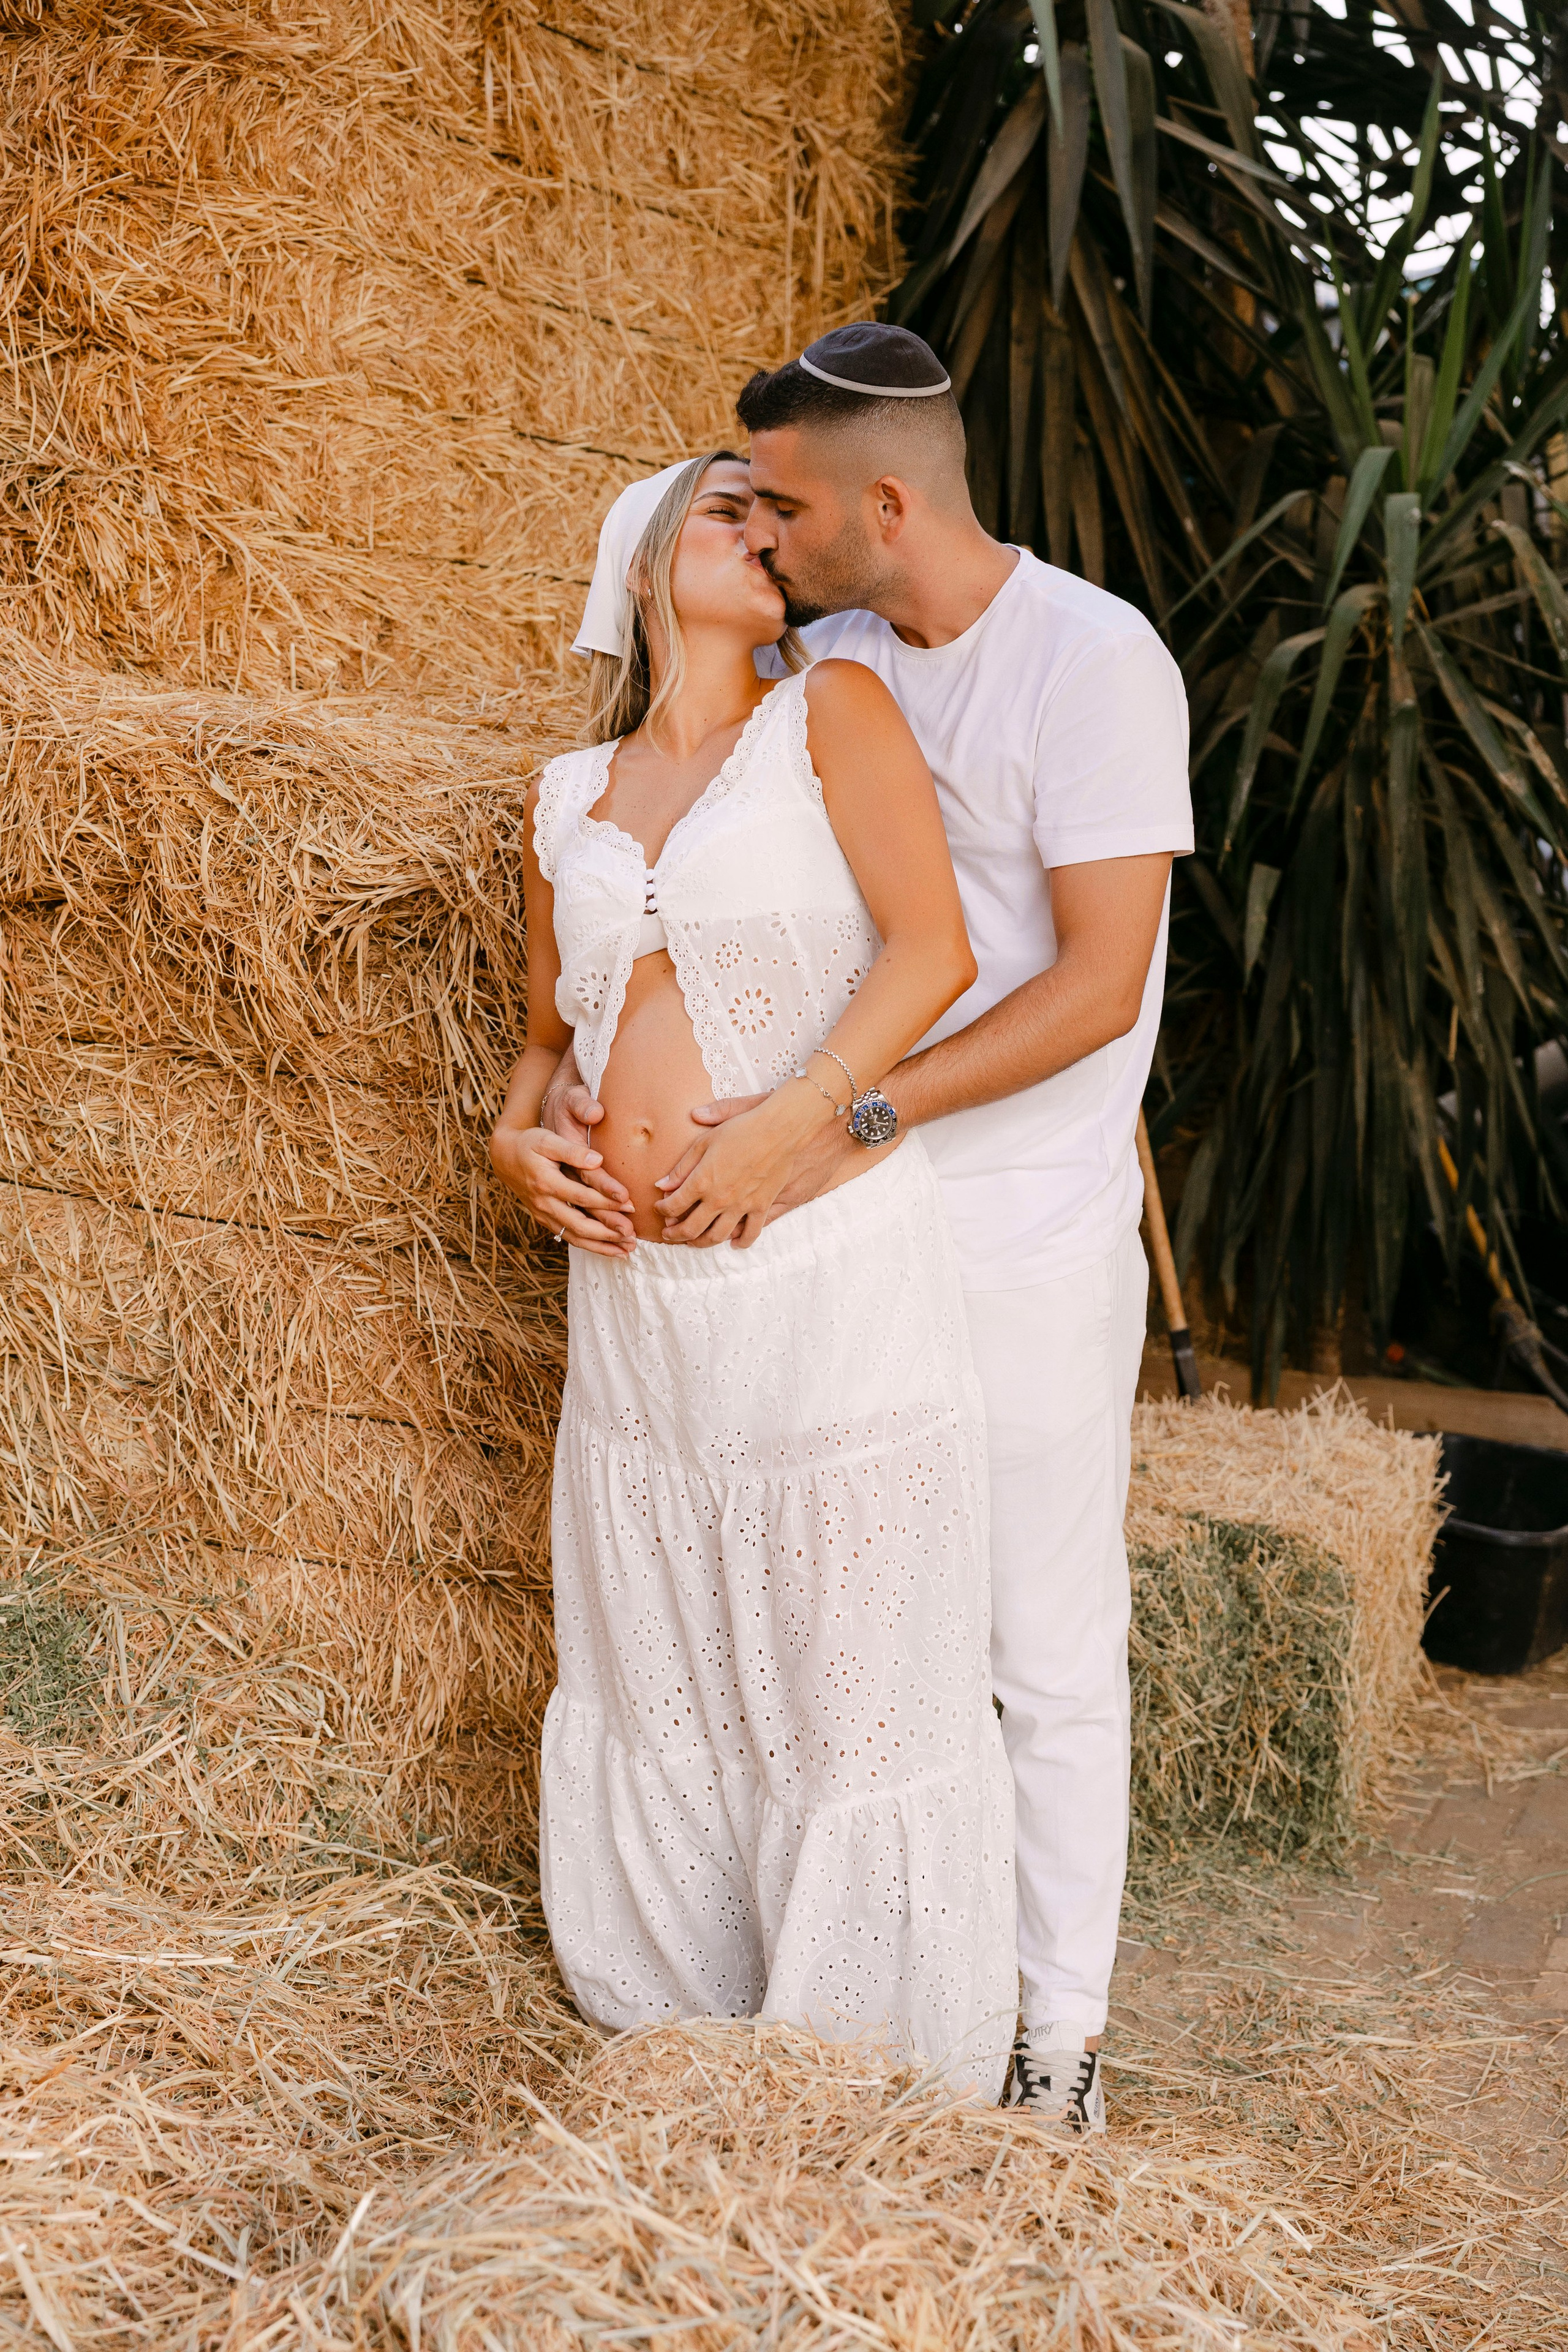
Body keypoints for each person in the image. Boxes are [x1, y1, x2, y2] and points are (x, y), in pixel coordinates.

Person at [527, 326, 1194, 2133]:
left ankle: (1052, 2035)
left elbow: (1093, 991)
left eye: (790, 504)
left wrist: (845, 1112)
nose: (767, 527)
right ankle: (800, 1986)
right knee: (826, 1638)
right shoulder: (817, 651)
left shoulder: (1091, 662)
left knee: (1032, 1645)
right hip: (831, 1234)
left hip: (1013, 1217)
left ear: (883, 503)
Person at [491, 447, 1017, 2097]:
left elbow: (940, 952)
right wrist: (517, 1140)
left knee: (842, 1656)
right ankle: (683, 2035)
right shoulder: (567, 796)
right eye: (730, 509)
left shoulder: (830, 717)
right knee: (668, 1648)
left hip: (825, 1262)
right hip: (641, 1303)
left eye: (778, 516)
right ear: (648, 557)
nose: (766, 535)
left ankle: (867, 2060)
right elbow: (539, 1046)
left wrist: (795, 1125)